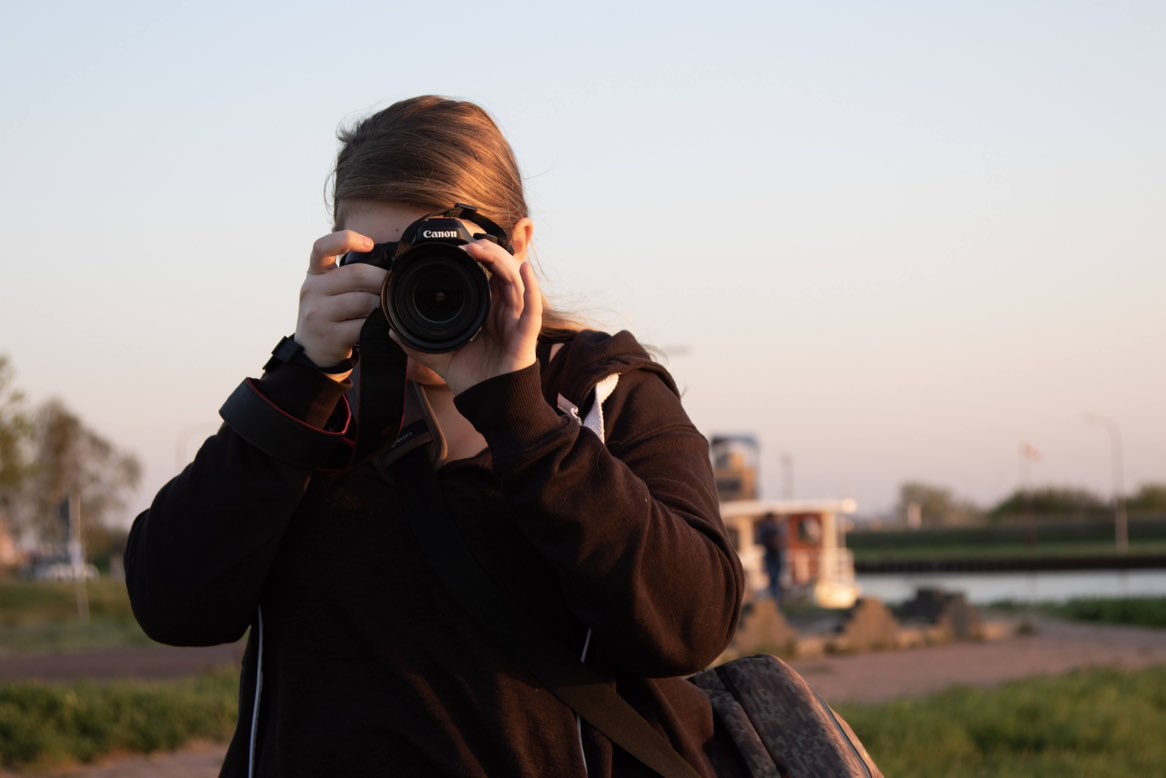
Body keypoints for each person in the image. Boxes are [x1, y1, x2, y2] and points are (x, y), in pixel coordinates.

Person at [124, 95, 744, 777]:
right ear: (337, 258)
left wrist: (521, 417)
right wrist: (302, 380)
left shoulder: (597, 394)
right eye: (387, 259)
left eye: (449, 254)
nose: (421, 286)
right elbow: (172, 606)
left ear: (522, 246)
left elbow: (691, 626)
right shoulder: (308, 407)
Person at [756, 513, 784, 605]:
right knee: (775, 580)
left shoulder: (766, 528)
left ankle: (774, 601)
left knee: (772, 580)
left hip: (771, 556)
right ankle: (776, 602)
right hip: (775, 556)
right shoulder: (774, 528)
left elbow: (759, 540)